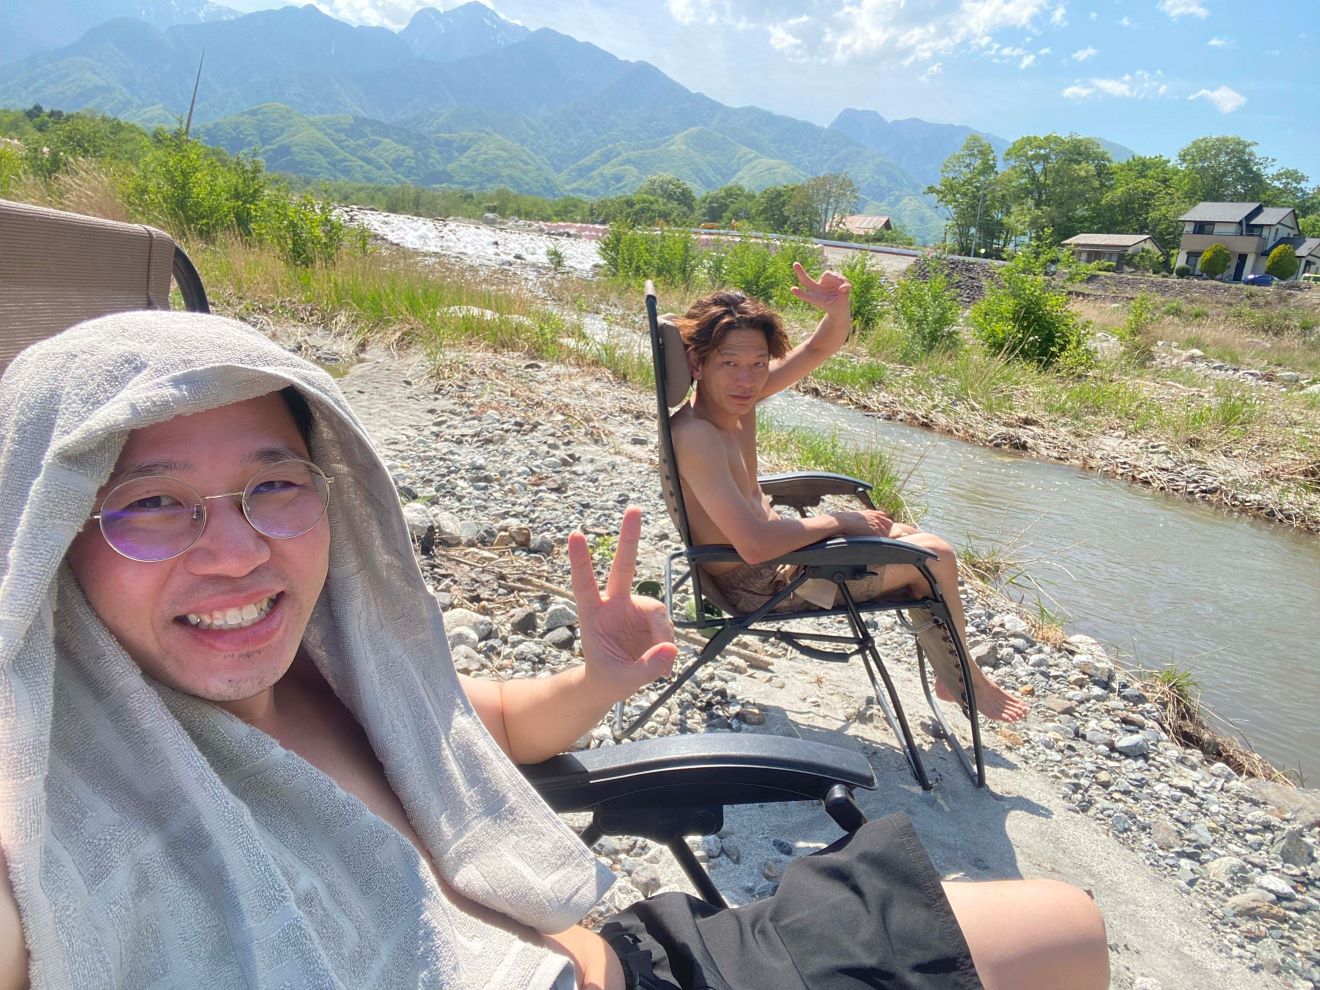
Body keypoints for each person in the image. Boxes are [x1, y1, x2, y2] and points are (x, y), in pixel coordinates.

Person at [0, 311, 1107, 989]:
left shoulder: (337, 677)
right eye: (150, 504)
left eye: (275, 485)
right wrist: (838, 528)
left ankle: (971, 678)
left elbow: (489, 725)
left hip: (623, 954)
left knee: (1063, 925)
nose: (237, 553)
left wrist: (598, 681)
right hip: (753, 615)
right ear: (47, 541)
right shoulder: (56, 798)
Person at [669, 265, 1028, 723]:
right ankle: (965, 679)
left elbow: (818, 347)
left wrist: (839, 310)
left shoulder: (730, 405)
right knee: (936, 555)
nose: (748, 379)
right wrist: (843, 521)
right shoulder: (699, 434)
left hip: (772, 562)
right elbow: (754, 544)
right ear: (696, 363)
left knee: (907, 536)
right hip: (762, 585)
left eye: (759, 364)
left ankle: (952, 672)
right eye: (730, 364)